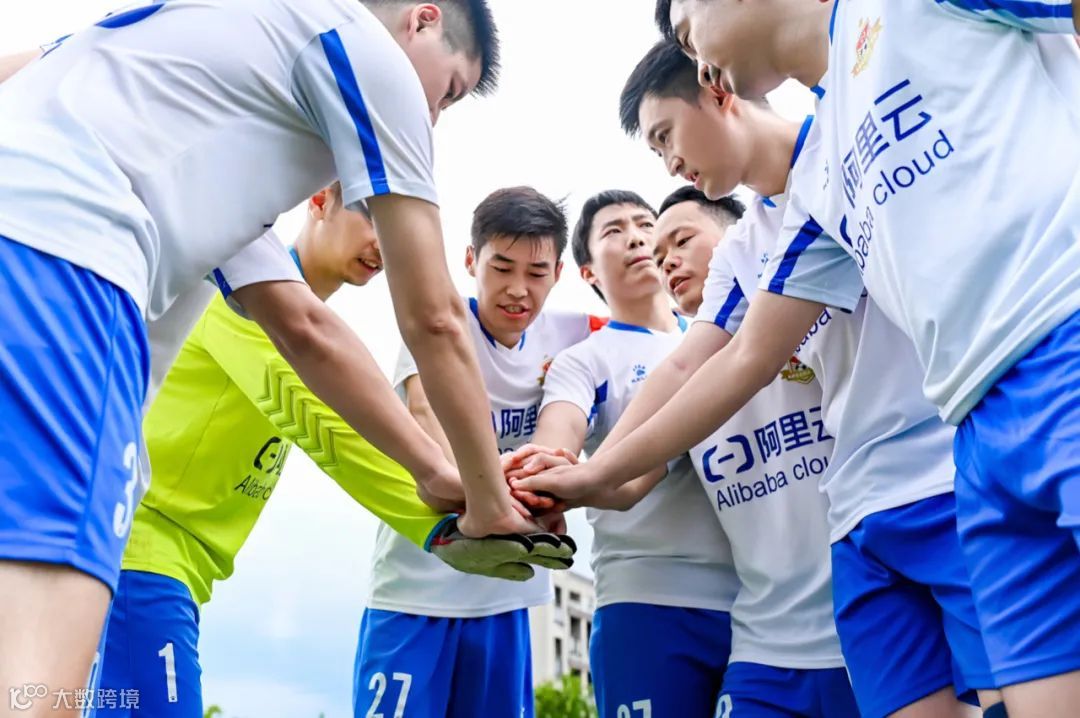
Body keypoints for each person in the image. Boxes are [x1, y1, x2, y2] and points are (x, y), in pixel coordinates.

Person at [0, 1, 562, 705]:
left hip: (42, 270)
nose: (429, 121)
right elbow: (430, 320)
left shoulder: (197, 133)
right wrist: (476, 503)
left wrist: (440, 474)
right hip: (65, 271)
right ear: (421, 21)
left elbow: (307, 329)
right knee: (40, 663)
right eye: (445, 93)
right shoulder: (356, 44)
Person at [520, 38, 1004, 717]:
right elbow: (688, 363)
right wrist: (587, 473)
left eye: (665, 136)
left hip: (948, 483)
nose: (669, 163)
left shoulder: (848, 148)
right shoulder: (747, 251)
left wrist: (596, 475)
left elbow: (750, 357)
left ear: (716, 85)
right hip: (857, 525)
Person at [92, 184, 546, 717]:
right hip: (141, 553)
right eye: (370, 217)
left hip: (175, 571)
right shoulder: (238, 295)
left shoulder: (316, 336)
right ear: (321, 199)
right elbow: (323, 423)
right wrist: (440, 521)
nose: (382, 243)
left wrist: (480, 485)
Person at [353, 186, 597, 718]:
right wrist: (487, 490)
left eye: (536, 273)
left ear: (559, 273)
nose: (518, 290)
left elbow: (648, 333)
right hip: (415, 592)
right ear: (471, 261)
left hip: (505, 600)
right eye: (501, 268)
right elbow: (426, 417)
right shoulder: (441, 326)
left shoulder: (574, 335)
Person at [514, 190, 739, 718]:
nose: (637, 237)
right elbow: (554, 444)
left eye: (645, 225)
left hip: (757, 605)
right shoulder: (584, 360)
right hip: (646, 605)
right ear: (588, 272)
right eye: (614, 231)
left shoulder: (730, 335)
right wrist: (547, 474)